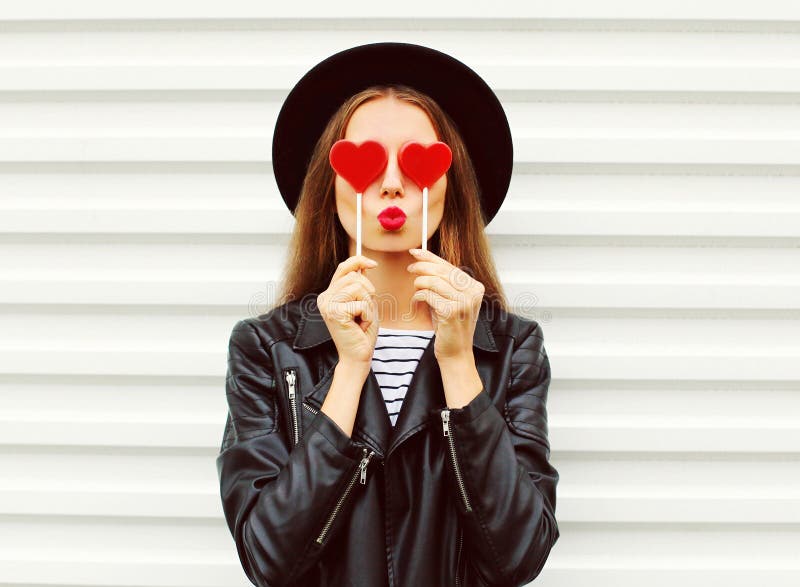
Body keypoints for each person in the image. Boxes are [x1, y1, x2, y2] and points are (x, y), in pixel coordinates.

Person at [216, 42, 559, 586]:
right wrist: (349, 371)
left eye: (419, 160)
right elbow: (268, 559)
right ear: (330, 188)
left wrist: (459, 363)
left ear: (453, 184)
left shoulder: (513, 348)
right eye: (366, 160)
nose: (394, 182)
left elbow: (517, 556)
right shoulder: (267, 348)